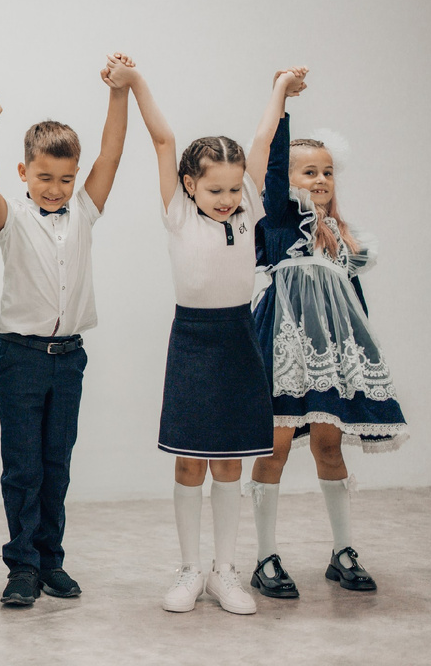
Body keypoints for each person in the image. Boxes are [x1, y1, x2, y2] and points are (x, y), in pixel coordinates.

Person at [117, 56, 284, 616]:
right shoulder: (178, 212)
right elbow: (163, 139)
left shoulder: (248, 206)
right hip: (192, 339)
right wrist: (136, 82)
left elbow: (263, 138)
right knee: (189, 462)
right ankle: (190, 568)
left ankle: (224, 571)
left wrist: (281, 88)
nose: (227, 197)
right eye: (215, 189)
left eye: (234, 188)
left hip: (238, 339)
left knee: (229, 463)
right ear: (190, 185)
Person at [245, 69, 408, 599]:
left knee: (329, 445)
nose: (319, 180)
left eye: (327, 172)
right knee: (273, 448)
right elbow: (271, 160)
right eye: (308, 171)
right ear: (288, 180)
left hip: (330, 356)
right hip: (283, 350)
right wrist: (281, 97)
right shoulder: (277, 220)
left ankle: (343, 550)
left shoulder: (342, 237)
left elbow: (352, 307)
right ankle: (265, 556)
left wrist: (360, 359)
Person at [0, 54, 133, 606]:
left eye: (65, 179)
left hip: (69, 359)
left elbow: (111, 155)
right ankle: (21, 565)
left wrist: (119, 92)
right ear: (24, 173)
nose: (55, 188)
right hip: (19, 358)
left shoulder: (85, 211)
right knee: (22, 468)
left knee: (56, 465)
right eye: (44, 177)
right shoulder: (11, 218)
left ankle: (50, 561)